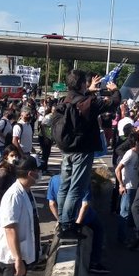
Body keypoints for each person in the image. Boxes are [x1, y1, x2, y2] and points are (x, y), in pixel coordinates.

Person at [56, 70, 120, 241]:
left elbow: (79, 99)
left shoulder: (65, 99)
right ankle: (68, 225)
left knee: (64, 186)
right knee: (76, 188)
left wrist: (89, 90)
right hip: (82, 150)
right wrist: (114, 89)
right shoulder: (89, 102)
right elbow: (113, 103)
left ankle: (62, 221)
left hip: (67, 148)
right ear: (82, 84)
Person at [47, 172, 107, 273]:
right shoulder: (83, 180)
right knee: (99, 229)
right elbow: (85, 204)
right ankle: (95, 262)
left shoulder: (54, 179)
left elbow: (52, 204)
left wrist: (60, 220)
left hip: (64, 219)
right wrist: (78, 224)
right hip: (84, 218)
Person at [0, 145, 25, 272]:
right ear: (6, 157)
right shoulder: (4, 170)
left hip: (6, 205)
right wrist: (10, 195)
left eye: (16, 155)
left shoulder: (14, 168)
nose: (15, 158)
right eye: (12, 155)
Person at [115, 132, 139, 244]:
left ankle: (128, 236)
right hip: (128, 187)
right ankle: (122, 238)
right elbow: (118, 169)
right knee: (124, 213)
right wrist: (121, 185)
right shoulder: (130, 153)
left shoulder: (137, 154)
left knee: (130, 212)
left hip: (134, 186)